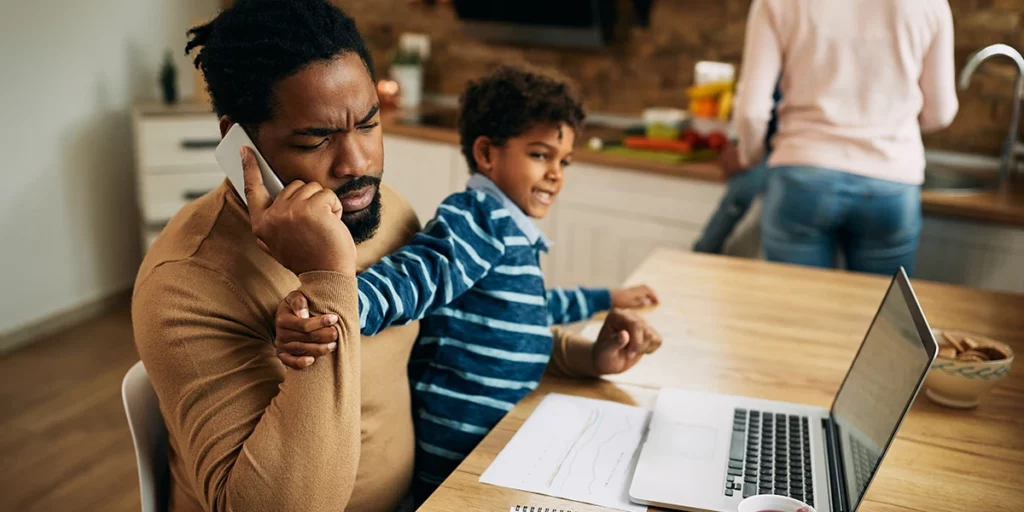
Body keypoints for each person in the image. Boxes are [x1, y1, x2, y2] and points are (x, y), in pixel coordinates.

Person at [130, 1, 664, 511]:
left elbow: (465, 335)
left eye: (367, 123)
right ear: (238, 140)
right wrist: (326, 275)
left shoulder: (387, 214)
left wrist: (579, 355)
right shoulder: (189, 283)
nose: (357, 163)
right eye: (316, 140)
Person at [273, 66, 661, 502]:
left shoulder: (508, 229)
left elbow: (528, 309)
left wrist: (605, 299)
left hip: (500, 437)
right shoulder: (479, 218)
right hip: (456, 448)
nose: (556, 173)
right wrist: (337, 306)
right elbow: (416, 276)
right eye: (539, 155)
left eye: (563, 161)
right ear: (487, 154)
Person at [733, 0, 959, 275]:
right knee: (880, 313)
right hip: (891, 178)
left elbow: (751, 112)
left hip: (802, 171)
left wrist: (751, 156)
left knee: (797, 313)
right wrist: (890, 124)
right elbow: (940, 112)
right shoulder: (930, 4)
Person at [693, 86, 780, 254]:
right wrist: (741, 148)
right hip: (768, 149)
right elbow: (752, 112)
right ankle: (703, 251)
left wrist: (746, 155)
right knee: (744, 188)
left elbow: (751, 112)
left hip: (789, 154)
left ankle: (703, 251)